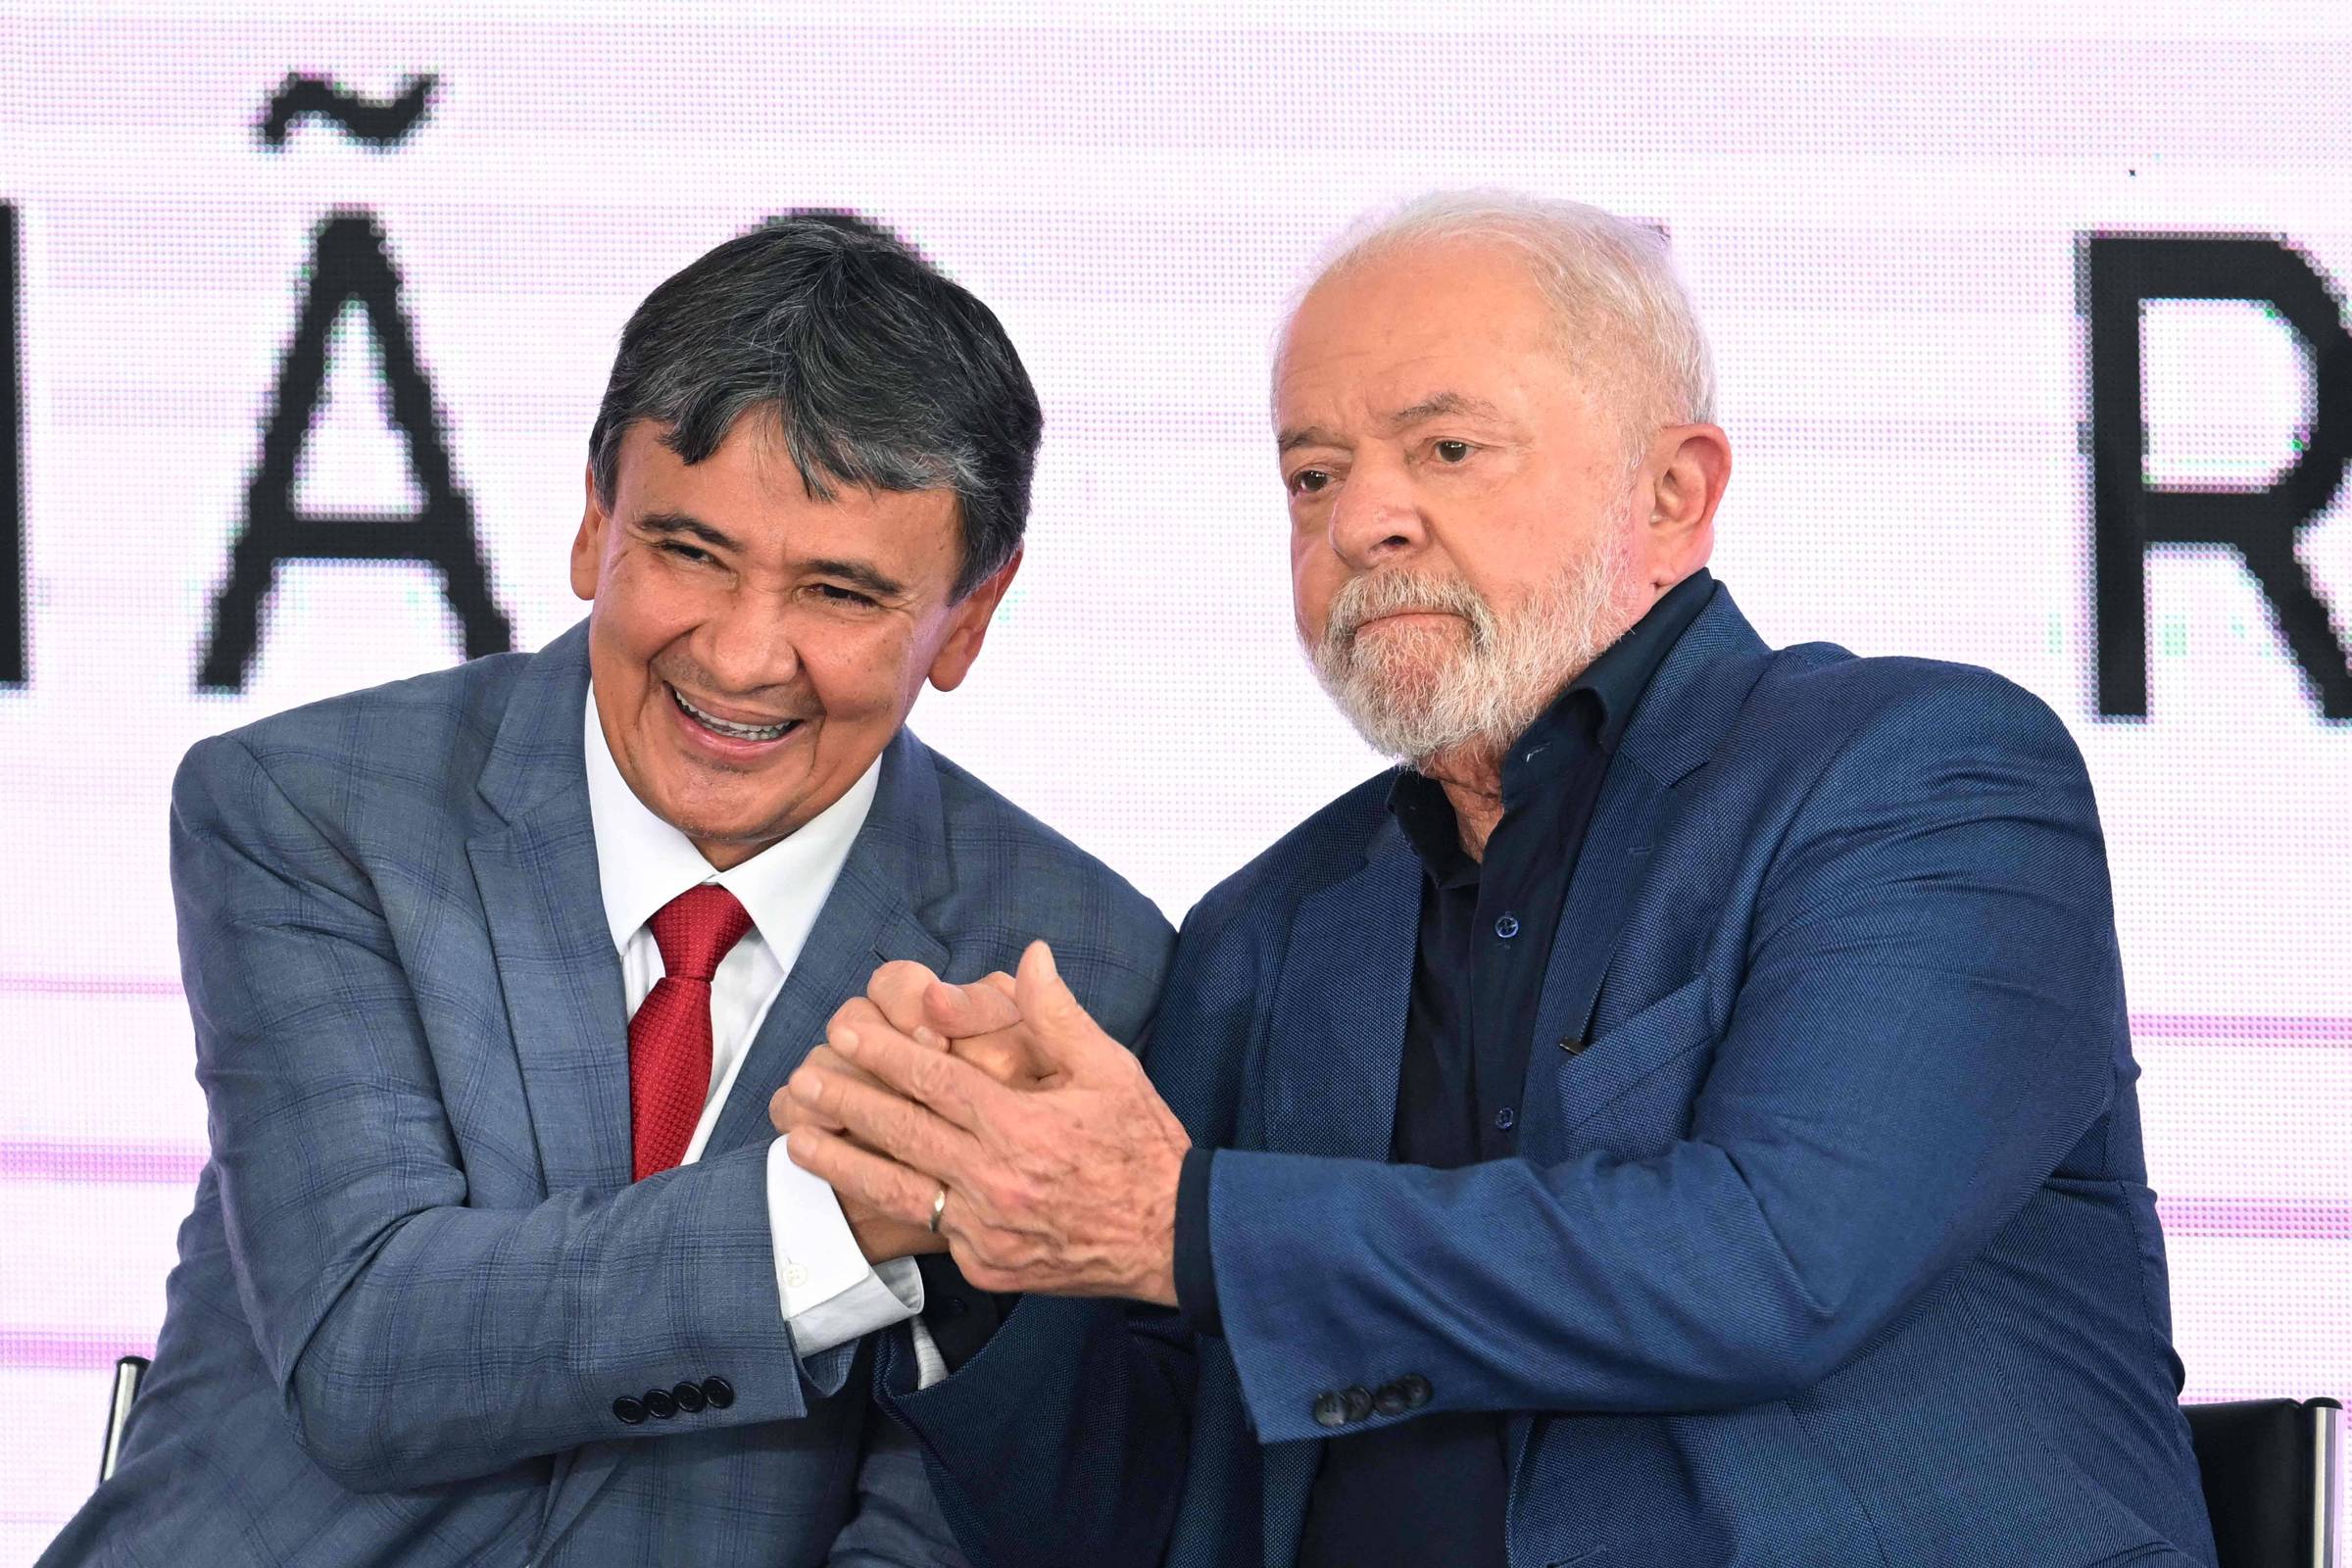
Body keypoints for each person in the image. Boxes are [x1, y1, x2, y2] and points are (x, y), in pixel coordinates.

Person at [780, 193, 2220, 1567]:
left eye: (1449, 449)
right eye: (1313, 476)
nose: (1362, 522)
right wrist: (977, 1225)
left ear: (1675, 494)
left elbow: (1777, 1265)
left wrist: (1185, 1224)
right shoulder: (1261, 934)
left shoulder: (1917, 778)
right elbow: (1116, 1530)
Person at [42, 214, 1171, 1567]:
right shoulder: (312, 810)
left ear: (968, 619)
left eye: (838, 593)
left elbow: (957, 1522)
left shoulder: (1075, 967)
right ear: (594, 526)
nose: (742, 657)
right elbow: (369, 1350)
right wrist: (837, 1215)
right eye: (689, 552)